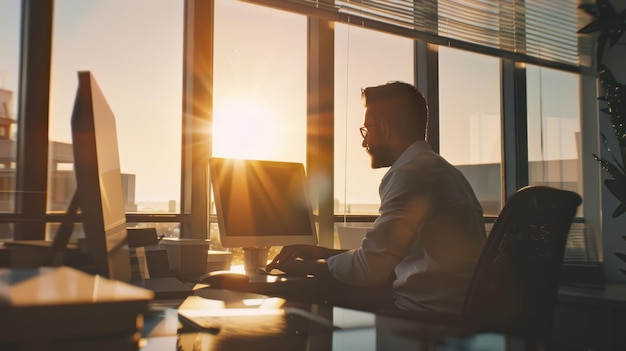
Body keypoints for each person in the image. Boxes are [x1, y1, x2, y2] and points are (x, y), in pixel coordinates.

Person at [266, 81, 486, 313]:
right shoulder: (440, 171)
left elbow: (369, 270)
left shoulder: (410, 174)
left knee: (298, 300)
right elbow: (383, 258)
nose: (364, 141)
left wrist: (300, 268)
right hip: (455, 315)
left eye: (366, 130)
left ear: (384, 128)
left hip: (423, 321)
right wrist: (324, 254)